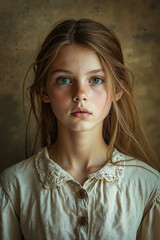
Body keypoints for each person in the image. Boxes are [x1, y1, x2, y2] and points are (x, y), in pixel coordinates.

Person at [0, 19, 160, 240]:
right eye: (64, 79)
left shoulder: (148, 186)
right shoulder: (13, 186)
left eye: (96, 79)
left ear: (117, 90)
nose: (80, 93)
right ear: (44, 91)